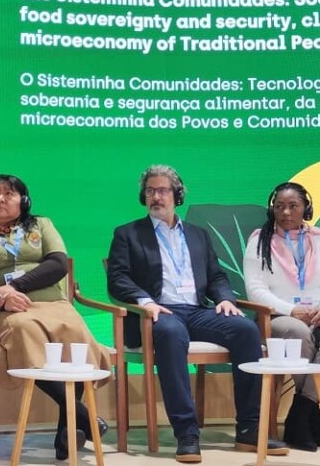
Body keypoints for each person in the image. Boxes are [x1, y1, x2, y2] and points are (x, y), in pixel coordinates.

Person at [107, 165, 287, 463]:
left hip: (196, 310)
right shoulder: (128, 234)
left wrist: (225, 298)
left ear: (177, 195)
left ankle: (249, 428)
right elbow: (117, 278)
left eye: (162, 190)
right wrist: (145, 301)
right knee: (171, 333)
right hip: (158, 312)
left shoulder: (197, 235)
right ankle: (187, 432)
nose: (155, 197)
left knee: (245, 331)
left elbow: (216, 276)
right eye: (150, 191)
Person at [0, 174, 110, 461]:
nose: (0, 198)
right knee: (24, 331)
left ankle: (66, 433)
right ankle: (83, 416)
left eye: (9, 193)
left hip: (53, 304)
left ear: (23, 201)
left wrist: (14, 287)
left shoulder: (41, 225)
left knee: (74, 332)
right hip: (6, 312)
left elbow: (58, 264)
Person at [244, 182, 320, 452]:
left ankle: (301, 411)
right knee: (298, 332)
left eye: (293, 206)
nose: (286, 212)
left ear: (306, 208)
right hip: (278, 317)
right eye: (279, 206)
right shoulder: (259, 240)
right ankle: (309, 415)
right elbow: (255, 290)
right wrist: (291, 310)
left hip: (319, 313)